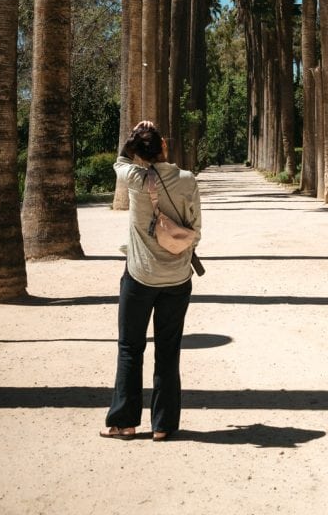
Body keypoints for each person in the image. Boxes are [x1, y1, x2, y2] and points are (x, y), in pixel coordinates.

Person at [100, 120, 202, 441]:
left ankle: (125, 423)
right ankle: (163, 426)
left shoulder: (135, 178)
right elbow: (195, 230)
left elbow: (120, 161)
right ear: (165, 148)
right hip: (177, 279)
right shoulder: (187, 180)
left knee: (130, 348)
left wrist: (133, 138)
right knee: (168, 351)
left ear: (140, 155)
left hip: (139, 277)